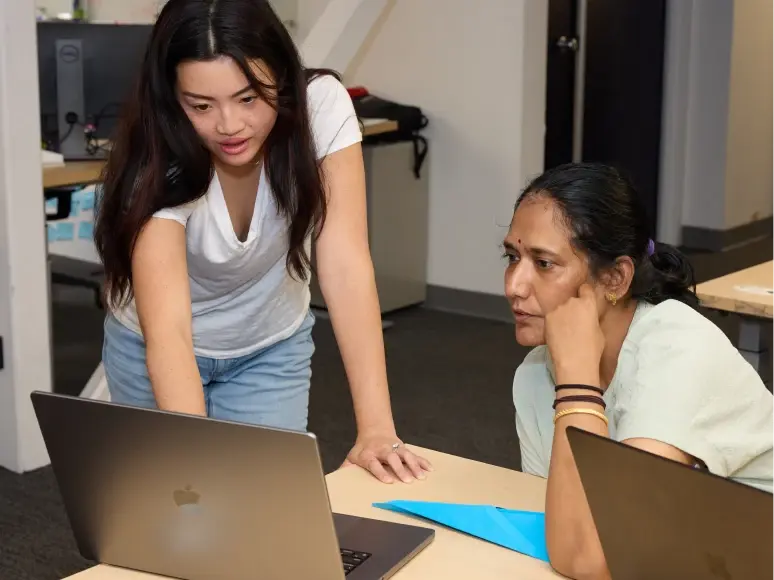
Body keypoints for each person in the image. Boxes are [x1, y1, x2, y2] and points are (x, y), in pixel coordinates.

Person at [93, 0, 431, 485]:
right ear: (171, 98)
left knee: (265, 507)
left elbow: (345, 262)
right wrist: (194, 473)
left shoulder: (321, 106)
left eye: (249, 98)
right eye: (201, 106)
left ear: (282, 77)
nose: (230, 126)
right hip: (155, 346)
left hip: (268, 344)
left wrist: (377, 428)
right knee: (180, 507)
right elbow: (170, 334)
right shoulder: (155, 161)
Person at [504, 162, 774, 579]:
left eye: (543, 263)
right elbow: (563, 526)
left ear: (615, 278)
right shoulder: (535, 374)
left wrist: (577, 382)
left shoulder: (678, 348)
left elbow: (597, 558)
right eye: (512, 257)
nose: (514, 286)